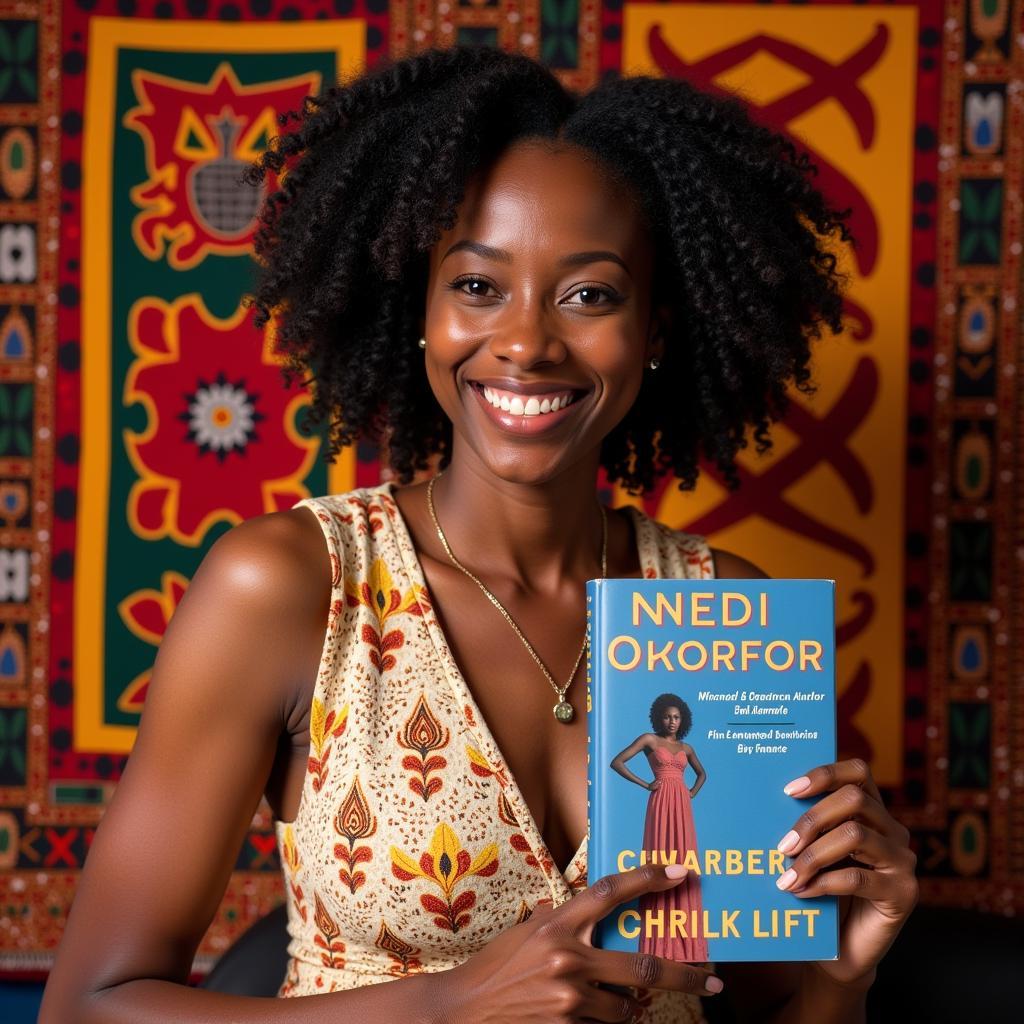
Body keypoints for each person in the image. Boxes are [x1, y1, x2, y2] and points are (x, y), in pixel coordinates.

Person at [41, 45, 918, 1023]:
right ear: (419, 308)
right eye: (476, 285)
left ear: (656, 330)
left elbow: (754, 1009)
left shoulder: (727, 612)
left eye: (589, 294)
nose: (526, 341)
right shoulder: (289, 588)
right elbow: (86, 1007)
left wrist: (843, 973)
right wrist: (449, 1004)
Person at [610, 695, 709, 962]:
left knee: (684, 858)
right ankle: (660, 946)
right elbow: (617, 762)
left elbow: (702, 774)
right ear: (659, 718)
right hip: (662, 800)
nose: (672, 721)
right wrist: (645, 784)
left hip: (681, 803)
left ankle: (689, 948)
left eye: (676, 717)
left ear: (683, 720)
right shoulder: (649, 740)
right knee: (662, 857)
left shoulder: (686, 748)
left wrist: (691, 793)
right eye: (667, 716)